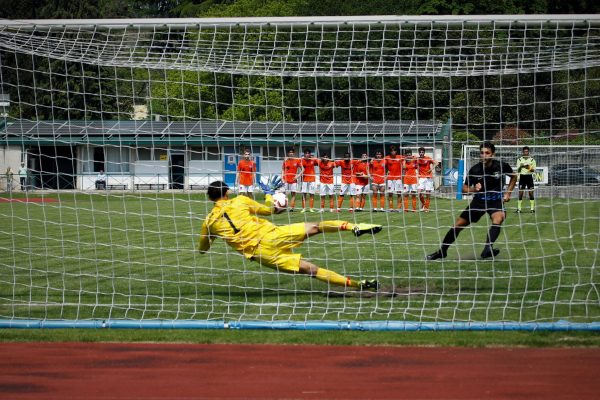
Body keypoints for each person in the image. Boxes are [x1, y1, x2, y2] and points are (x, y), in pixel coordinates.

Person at [198, 179, 382, 290]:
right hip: (272, 234)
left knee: (311, 270)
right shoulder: (240, 201)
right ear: (227, 192)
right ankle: (353, 226)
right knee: (316, 227)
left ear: (210, 198)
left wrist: (212, 236)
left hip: (260, 253)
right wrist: (270, 194)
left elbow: (202, 250)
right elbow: (270, 210)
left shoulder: (209, 222)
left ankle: (357, 285)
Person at [426, 141, 518, 261]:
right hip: (478, 201)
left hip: (495, 201)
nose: (484, 155)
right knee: (457, 225)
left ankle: (487, 249)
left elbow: (514, 176)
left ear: (493, 154)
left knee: (498, 218)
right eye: (481, 153)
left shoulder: (501, 166)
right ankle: (442, 251)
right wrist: (474, 189)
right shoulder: (475, 170)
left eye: (487, 153)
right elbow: (464, 189)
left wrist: (508, 193)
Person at [416, 147, 438, 212]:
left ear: (424, 153)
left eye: (422, 152)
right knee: (419, 192)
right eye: (420, 152)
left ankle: (426, 208)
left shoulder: (428, 158)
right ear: (419, 153)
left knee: (428, 193)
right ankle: (424, 204)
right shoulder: (417, 159)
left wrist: (431, 169)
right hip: (421, 178)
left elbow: (437, 163)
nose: (421, 153)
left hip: (428, 177)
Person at [516, 146, 536, 213]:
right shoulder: (519, 160)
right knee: (521, 193)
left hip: (529, 177)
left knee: (530, 193)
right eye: (524, 152)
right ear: (523, 152)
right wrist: (521, 166)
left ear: (528, 152)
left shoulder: (532, 160)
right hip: (522, 177)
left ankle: (532, 209)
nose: (526, 153)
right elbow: (518, 170)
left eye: (527, 151)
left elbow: (533, 170)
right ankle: (519, 209)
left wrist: (528, 167)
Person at [385, 146, 404, 212]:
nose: (393, 152)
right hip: (390, 178)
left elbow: (409, 158)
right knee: (390, 193)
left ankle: (399, 208)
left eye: (394, 150)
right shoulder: (387, 158)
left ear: (396, 151)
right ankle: (391, 208)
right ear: (390, 152)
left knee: (399, 193)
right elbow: (381, 163)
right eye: (392, 151)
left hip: (398, 178)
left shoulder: (400, 157)